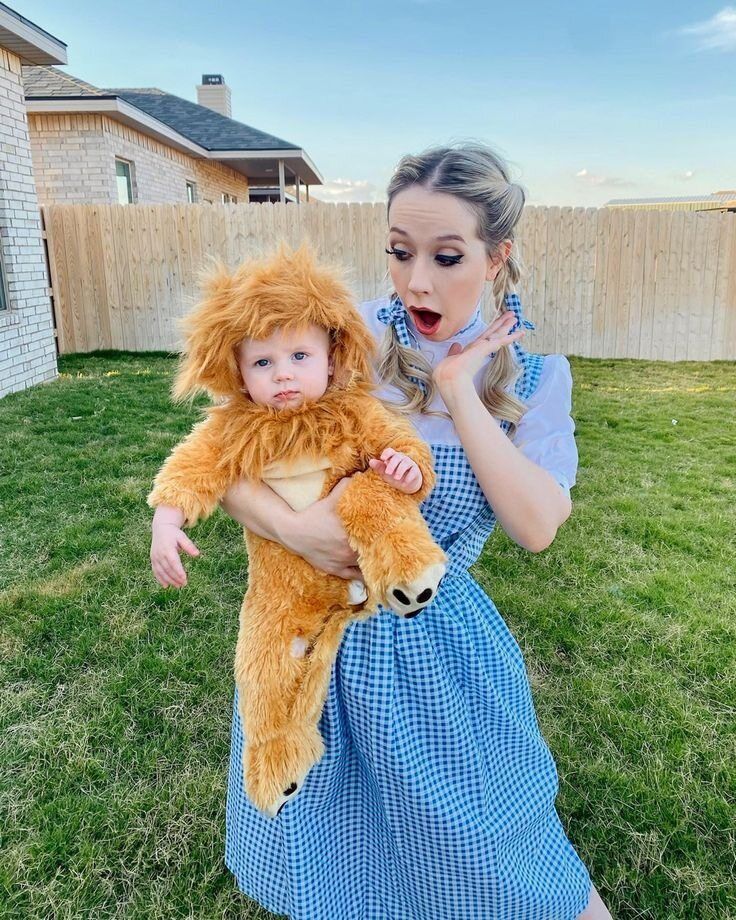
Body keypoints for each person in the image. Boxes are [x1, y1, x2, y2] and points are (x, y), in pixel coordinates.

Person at [219, 143, 613, 919]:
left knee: (487, 848)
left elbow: (536, 527)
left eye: (446, 255)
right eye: (399, 252)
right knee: (336, 842)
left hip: (436, 650)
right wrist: (302, 535)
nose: (416, 281)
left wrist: (460, 392)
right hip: (314, 641)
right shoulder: (340, 343)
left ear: (498, 257)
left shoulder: (536, 382)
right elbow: (226, 458)